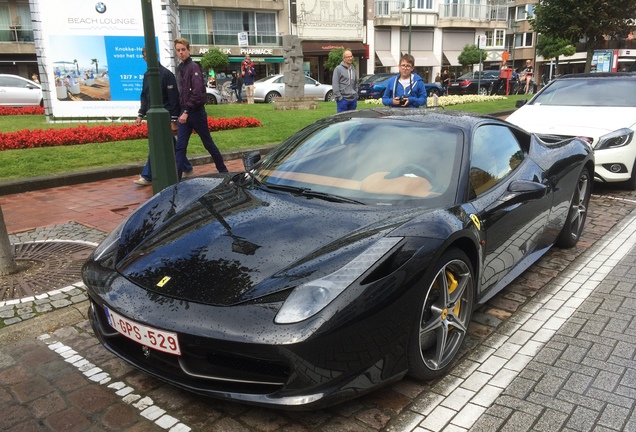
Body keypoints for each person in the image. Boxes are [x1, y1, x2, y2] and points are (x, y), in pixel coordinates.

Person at [133, 47, 194, 186]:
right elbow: (145, 96)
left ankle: (147, 175)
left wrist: (173, 120)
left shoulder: (166, 74)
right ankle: (187, 167)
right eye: (145, 56)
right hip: (152, 116)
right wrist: (140, 114)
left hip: (165, 116)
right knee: (171, 143)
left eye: (150, 55)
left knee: (155, 145)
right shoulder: (147, 75)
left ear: (156, 55)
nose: (148, 59)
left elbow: (174, 99)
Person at [173, 37, 228, 179]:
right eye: (178, 50)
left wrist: (186, 111)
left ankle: (223, 171)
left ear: (189, 50)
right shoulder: (180, 69)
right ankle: (176, 179)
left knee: (208, 144)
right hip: (184, 113)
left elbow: (198, 92)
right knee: (180, 147)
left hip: (195, 113)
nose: (181, 53)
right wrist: (179, 113)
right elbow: (180, 93)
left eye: (183, 50)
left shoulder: (194, 68)